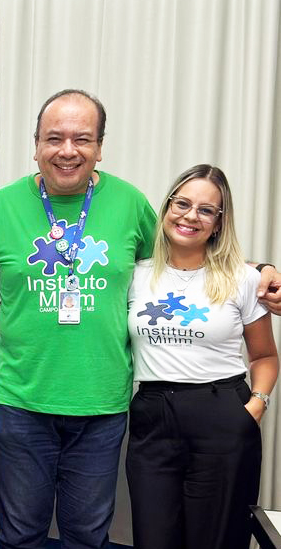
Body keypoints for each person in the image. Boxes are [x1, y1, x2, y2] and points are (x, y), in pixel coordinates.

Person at [0, 89, 281, 549]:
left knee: (88, 537)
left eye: (83, 138)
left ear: (100, 146)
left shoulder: (130, 203)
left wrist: (257, 269)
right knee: (20, 535)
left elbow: (184, 256)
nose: (68, 150)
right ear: (35, 143)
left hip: (102, 405)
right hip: (21, 401)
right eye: (54, 138)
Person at [126, 164, 278, 549]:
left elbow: (263, 356)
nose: (191, 215)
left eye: (206, 210)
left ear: (218, 222)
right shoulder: (135, 275)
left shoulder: (242, 279)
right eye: (182, 203)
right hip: (152, 417)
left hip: (222, 416)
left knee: (216, 539)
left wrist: (255, 405)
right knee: (154, 538)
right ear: (166, 208)